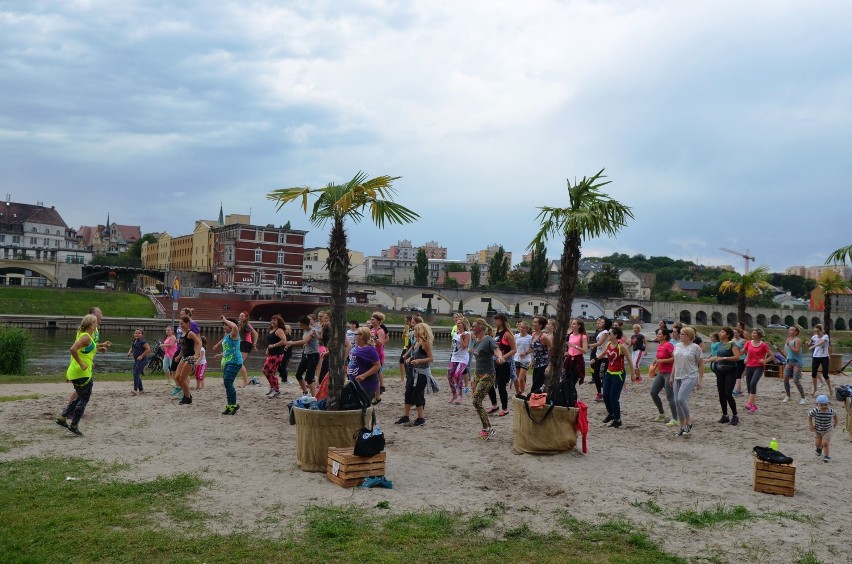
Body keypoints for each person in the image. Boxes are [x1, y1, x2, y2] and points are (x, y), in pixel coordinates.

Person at [56, 314, 99, 436]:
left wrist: (100, 348)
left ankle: (63, 417)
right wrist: (82, 364)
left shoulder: (86, 336)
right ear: (91, 325)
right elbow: (73, 349)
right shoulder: (85, 337)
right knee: (83, 399)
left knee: (80, 397)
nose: (97, 324)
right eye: (96, 322)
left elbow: (85, 351)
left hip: (80, 372)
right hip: (81, 373)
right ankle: (74, 425)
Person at [597, 326, 637, 428]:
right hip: (609, 373)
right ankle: (611, 414)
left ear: (615, 335)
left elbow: (629, 360)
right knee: (605, 395)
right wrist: (595, 359)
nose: (607, 335)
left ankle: (618, 420)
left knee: (613, 398)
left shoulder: (621, 347)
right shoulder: (609, 344)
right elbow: (603, 354)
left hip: (619, 374)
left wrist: (633, 373)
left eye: (609, 333)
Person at [670, 326, 704, 437]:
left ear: (689, 336)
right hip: (677, 377)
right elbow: (675, 362)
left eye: (683, 334)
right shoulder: (677, 346)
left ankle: (688, 421)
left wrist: (700, 380)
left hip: (690, 376)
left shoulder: (695, 347)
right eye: (680, 333)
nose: (680, 335)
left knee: (681, 399)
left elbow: (701, 364)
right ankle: (681, 426)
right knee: (676, 402)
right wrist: (671, 376)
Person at [397, 322, 433, 427]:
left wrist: (418, 361)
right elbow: (413, 353)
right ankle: (405, 416)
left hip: (422, 373)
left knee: (417, 394)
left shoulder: (425, 343)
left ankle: (421, 418)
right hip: (414, 371)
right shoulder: (416, 341)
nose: (414, 332)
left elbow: (431, 358)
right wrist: (408, 357)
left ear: (421, 331)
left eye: (416, 330)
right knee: (408, 392)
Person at [469, 318, 499, 440]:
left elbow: (497, 350)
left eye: (474, 326)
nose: (472, 328)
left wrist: (500, 356)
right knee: (477, 402)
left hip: (488, 374)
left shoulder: (488, 339)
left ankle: (488, 429)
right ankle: (487, 427)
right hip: (477, 374)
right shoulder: (476, 341)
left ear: (480, 327)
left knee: (476, 401)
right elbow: (471, 350)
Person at [707, 327, 741, 425]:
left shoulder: (732, 345)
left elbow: (737, 357)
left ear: (728, 335)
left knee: (727, 393)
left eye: (722, 332)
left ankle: (735, 416)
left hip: (731, 371)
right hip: (720, 371)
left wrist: (724, 358)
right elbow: (717, 357)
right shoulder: (720, 344)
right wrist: (706, 360)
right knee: (721, 393)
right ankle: (725, 415)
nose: (720, 333)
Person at [487, 313, 517, 417]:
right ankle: (494, 405)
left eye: (497, 319)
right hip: (494, 362)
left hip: (505, 363)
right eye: (494, 319)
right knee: (489, 384)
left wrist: (503, 358)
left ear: (502, 320)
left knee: (501, 386)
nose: (495, 321)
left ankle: (505, 408)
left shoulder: (507, 334)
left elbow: (514, 350)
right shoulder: (496, 333)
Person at [285, 315, 320, 396]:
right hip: (306, 354)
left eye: (301, 325)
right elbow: (306, 342)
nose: (300, 327)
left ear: (305, 324)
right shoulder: (306, 330)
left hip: (313, 355)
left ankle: (314, 396)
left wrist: (291, 343)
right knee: (298, 374)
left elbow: (304, 341)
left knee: (309, 377)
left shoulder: (313, 331)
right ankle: (305, 392)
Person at [649, 328, 678, 426]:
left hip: (669, 373)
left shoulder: (668, 345)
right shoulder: (660, 345)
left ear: (665, 336)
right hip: (661, 373)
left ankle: (675, 419)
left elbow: (675, 358)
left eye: (659, 334)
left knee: (670, 396)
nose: (657, 335)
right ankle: (662, 414)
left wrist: (662, 361)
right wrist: (655, 363)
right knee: (653, 393)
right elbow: (659, 358)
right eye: (657, 334)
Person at [743, 328, 774, 414]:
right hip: (749, 366)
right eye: (752, 333)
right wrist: (745, 358)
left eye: (755, 333)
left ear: (759, 335)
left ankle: (749, 403)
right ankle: (754, 406)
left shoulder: (763, 345)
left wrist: (765, 361)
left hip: (759, 367)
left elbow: (772, 356)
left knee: (753, 383)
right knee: (749, 386)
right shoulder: (748, 343)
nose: (753, 334)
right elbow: (744, 352)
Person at [216, 316, 242, 415]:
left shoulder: (234, 334)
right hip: (228, 361)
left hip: (235, 361)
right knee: (227, 384)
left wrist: (225, 319)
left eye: (226, 325)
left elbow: (235, 327)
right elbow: (228, 350)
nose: (224, 326)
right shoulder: (227, 336)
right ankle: (230, 405)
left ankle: (234, 405)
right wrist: (221, 355)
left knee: (228, 381)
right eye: (224, 325)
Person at [776, 325, 807, 405]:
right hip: (789, 361)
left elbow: (796, 351)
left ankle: (803, 398)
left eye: (792, 330)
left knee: (796, 380)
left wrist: (789, 345)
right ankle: (788, 396)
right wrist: (779, 354)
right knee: (785, 378)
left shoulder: (797, 340)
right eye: (790, 330)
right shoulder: (788, 339)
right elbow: (785, 351)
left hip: (797, 362)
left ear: (796, 332)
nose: (790, 331)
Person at [348, 326, 382, 397]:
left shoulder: (370, 350)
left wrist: (363, 375)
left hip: (366, 384)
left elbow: (377, 365)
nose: (354, 336)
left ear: (361, 336)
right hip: (354, 382)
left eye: (356, 334)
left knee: (361, 405)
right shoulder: (356, 347)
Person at [564, 319, 589, 405]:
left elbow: (585, 350)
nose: (572, 325)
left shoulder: (583, 336)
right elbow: (570, 350)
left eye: (574, 324)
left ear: (579, 326)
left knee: (572, 382)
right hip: (569, 360)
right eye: (571, 324)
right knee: (566, 381)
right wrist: (565, 354)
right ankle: (568, 399)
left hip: (578, 361)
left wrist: (575, 346)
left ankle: (573, 400)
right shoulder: (570, 336)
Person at [262, 314, 287, 398]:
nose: (272, 321)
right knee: (267, 371)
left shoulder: (279, 330)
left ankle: (276, 390)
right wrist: (268, 349)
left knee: (268, 371)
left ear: (278, 322)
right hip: (271, 353)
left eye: (275, 320)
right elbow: (270, 342)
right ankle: (273, 388)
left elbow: (284, 341)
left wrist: (273, 346)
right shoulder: (271, 329)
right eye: (272, 319)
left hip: (278, 354)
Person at [447, 317, 470, 404]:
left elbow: (464, 346)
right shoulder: (455, 333)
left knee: (457, 375)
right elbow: (454, 344)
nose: (457, 324)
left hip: (463, 359)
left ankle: (460, 396)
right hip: (454, 357)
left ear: (463, 325)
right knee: (449, 376)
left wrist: (461, 338)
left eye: (459, 323)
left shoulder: (466, 334)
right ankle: (454, 394)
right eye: (457, 323)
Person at [808, 395, 838, 463]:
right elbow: (809, 416)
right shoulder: (815, 410)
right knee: (817, 444)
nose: (824, 406)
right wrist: (810, 425)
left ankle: (826, 456)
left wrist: (836, 422)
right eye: (821, 405)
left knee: (825, 443)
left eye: (826, 404)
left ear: (828, 403)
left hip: (827, 430)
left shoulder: (831, 411)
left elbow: (835, 415)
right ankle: (819, 450)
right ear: (817, 404)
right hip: (817, 430)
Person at [589, 317, 612, 403]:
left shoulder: (606, 332)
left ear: (605, 324)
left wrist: (589, 345)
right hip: (598, 354)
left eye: (602, 322)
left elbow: (600, 343)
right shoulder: (600, 332)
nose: (600, 323)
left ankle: (606, 392)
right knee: (596, 375)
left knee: (603, 374)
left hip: (605, 356)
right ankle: (599, 393)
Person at [369, 312, 389, 403]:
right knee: (372, 375)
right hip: (371, 354)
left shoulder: (380, 330)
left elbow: (381, 343)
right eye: (371, 319)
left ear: (378, 321)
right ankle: (374, 394)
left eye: (373, 319)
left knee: (375, 375)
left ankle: (377, 397)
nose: (371, 321)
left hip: (378, 355)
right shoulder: (371, 329)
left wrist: (374, 338)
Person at [529, 316, 552, 394]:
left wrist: (549, 365)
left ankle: (532, 401)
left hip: (543, 364)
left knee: (536, 386)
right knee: (535, 383)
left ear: (540, 325)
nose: (533, 323)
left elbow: (552, 350)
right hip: (536, 364)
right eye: (533, 322)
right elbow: (534, 350)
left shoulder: (544, 337)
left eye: (535, 322)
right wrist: (531, 360)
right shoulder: (533, 334)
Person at [808, 324, 832, 397]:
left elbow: (821, 342)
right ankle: (815, 389)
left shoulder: (825, 336)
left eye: (818, 331)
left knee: (825, 374)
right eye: (815, 331)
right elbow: (809, 344)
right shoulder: (814, 337)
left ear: (821, 331)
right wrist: (808, 344)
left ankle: (830, 388)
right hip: (816, 356)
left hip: (824, 357)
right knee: (813, 373)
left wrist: (813, 346)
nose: (817, 333)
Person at [237, 311, 259, 387]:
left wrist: (254, 344)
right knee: (238, 362)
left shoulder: (247, 325)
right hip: (242, 343)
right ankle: (245, 380)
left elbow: (255, 333)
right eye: (240, 316)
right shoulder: (240, 324)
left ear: (246, 317)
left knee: (239, 362)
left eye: (242, 316)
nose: (240, 317)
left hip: (246, 343)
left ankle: (246, 381)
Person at [127, 328, 150, 396]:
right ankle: (141, 390)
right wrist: (129, 352)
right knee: (136, 374)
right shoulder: (135, 340)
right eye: (136, 333)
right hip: (136, 360)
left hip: (143, 360)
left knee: (136, 373)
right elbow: (132, 347)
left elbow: (148, 349)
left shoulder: (143, 341)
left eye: (139, 333)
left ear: (142, 335)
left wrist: (141, 356)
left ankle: (135, 390)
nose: (137, 334)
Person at [513, 321, 533, 398]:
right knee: (517, 378)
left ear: (527, 329)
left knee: (521, 378)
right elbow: (513, 347)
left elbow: (533, 349)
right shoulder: (516, 336)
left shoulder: (530, 338)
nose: (522, 329)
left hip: (526, 359)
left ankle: (523, 392)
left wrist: (526, 352)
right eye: (521, 327)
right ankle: (519, 391)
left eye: (524, 328)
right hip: (516, 359)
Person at [731, 327, 747, 396]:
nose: (734, 334)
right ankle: (739, 390)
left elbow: (747, 350)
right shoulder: (732, 341)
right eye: (733, 333)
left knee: (738, 374)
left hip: (742, 359)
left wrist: (747, 358)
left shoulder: (743, 341)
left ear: (739, 333)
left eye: (736, 333)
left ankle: (736, 390)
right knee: (735, 374)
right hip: (735, 359)